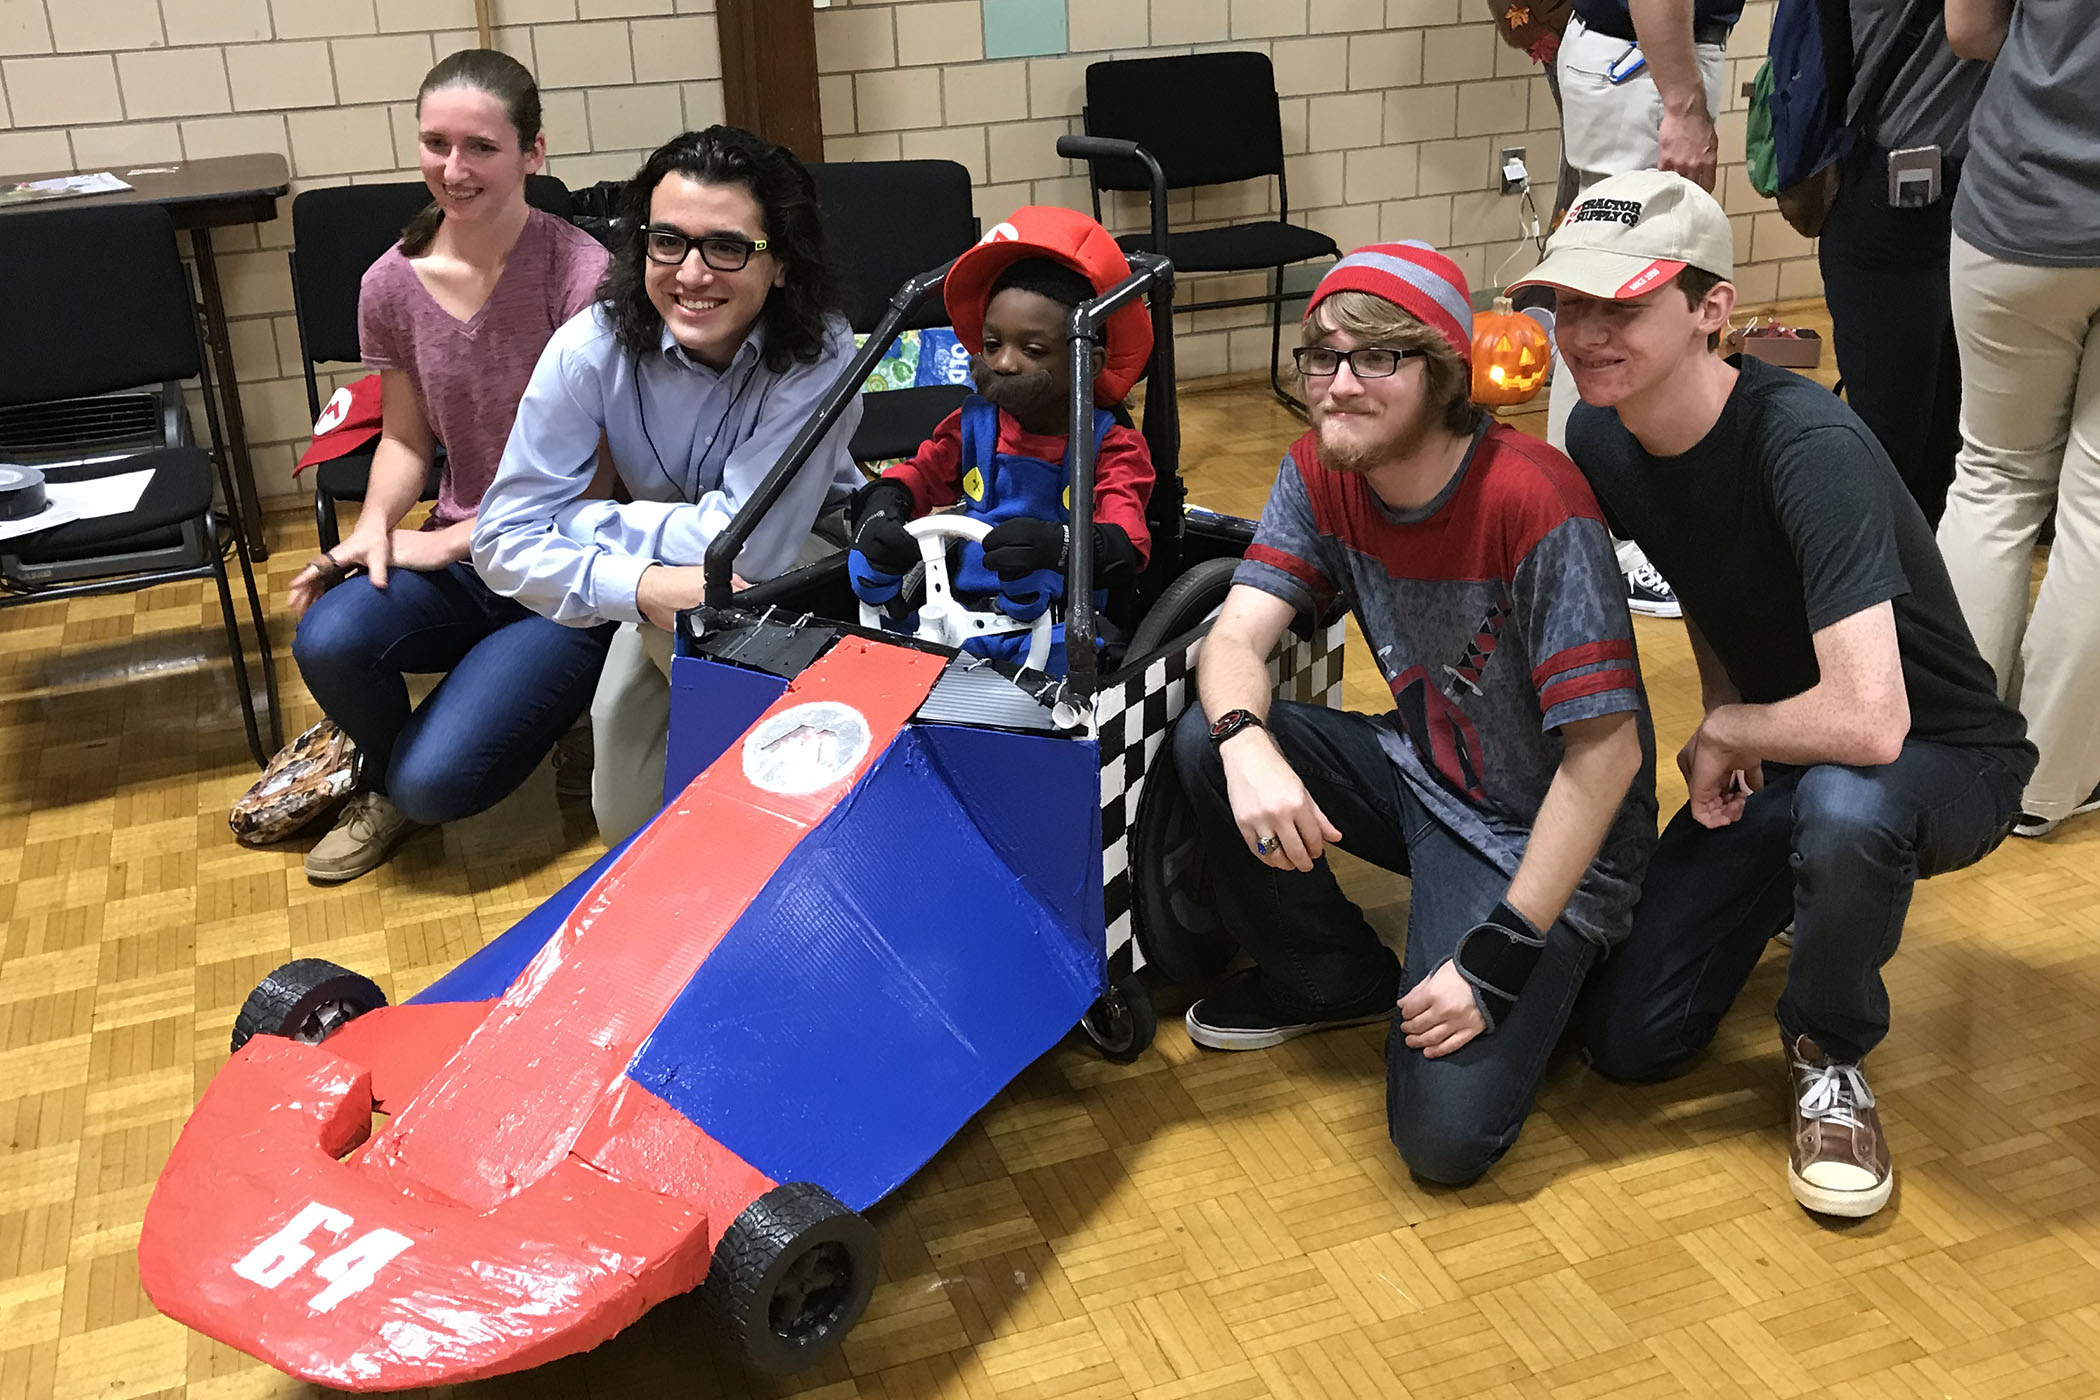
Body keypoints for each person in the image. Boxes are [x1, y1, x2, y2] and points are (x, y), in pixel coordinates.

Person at [1516, 171, 2035, 1218]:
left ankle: (1828, 1049)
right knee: (1629, 1043)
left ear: (1711, 309)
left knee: (1853, 809)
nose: (1585, 333)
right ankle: (1804, 889)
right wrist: (1738, 723)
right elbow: (1709, 577)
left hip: (1940, 754)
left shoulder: (1810, 444)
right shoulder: (1605, 438)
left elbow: (1874, 721)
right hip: (1800, 748)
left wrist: (1729, 726)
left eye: (1622, 305)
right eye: (1570, 303)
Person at [1169, 243, 1655, 1188]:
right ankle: (1331, 975)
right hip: (1427, 776)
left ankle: (1568, 968)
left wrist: (1505, 952)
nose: (1339, 386)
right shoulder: (1319, 471)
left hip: (1548, 837)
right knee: (1205, 738)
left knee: (1443, 1142)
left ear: (1440, 376)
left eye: (1376, 359)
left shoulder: (1535, 498)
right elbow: (1231, 644)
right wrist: (1245, 745)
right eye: (1323, 358)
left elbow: (1609, 754)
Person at [472, 126, 863, 847]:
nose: (690, 274)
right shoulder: (589, 351)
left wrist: (586, 524)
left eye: (727, 247)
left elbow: (754, 547)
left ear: (780, 264)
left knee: (760, 804)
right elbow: (499, 542)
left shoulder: (821, 349)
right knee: (627, 819)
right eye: (667, 242)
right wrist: (643, 587)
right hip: (668, 593)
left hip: (808, 563)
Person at [287, 49, 614, 884]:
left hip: (567, 565)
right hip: (469, 552)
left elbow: (599, 482)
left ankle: (535, 716)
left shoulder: (581, 276)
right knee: (327, 635)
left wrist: (451, 542)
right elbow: (405, 438)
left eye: (481, 147)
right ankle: (387, 777)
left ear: (532, 154)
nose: (453, 169)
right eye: (436, 144)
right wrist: (372, 532)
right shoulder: (390, 283)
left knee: (440, 785)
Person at [848, 207, 1155, 676]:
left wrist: (1061, 546)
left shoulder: (1111, 445)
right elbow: (922, 472)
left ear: (1087, 363)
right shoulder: (974, 422)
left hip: (1060, 627)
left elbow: (1126, 543)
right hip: (955, 613)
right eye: (992, 345)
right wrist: (884, 504)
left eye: (1031, 350)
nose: (1005, 363)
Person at [1935, 1, 2100, 839]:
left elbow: (1967, 30)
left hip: (2025, 200)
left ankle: (1950, 763)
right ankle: (2047, 786)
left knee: (1995, 478)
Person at [1545, 0, 1738, 619]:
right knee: (1611, 307)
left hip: (1636, 60)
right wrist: (1682, 103)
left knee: (1605, 305)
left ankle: (1589, 529)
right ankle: (1602, 540)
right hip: (1644, 65)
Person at [1815, 0, 1989, 525]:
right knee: (1893, 448)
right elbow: (1973, 31)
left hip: (1963, 191)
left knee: (1944, 447)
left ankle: (1913, 598)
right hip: (1893, 193)